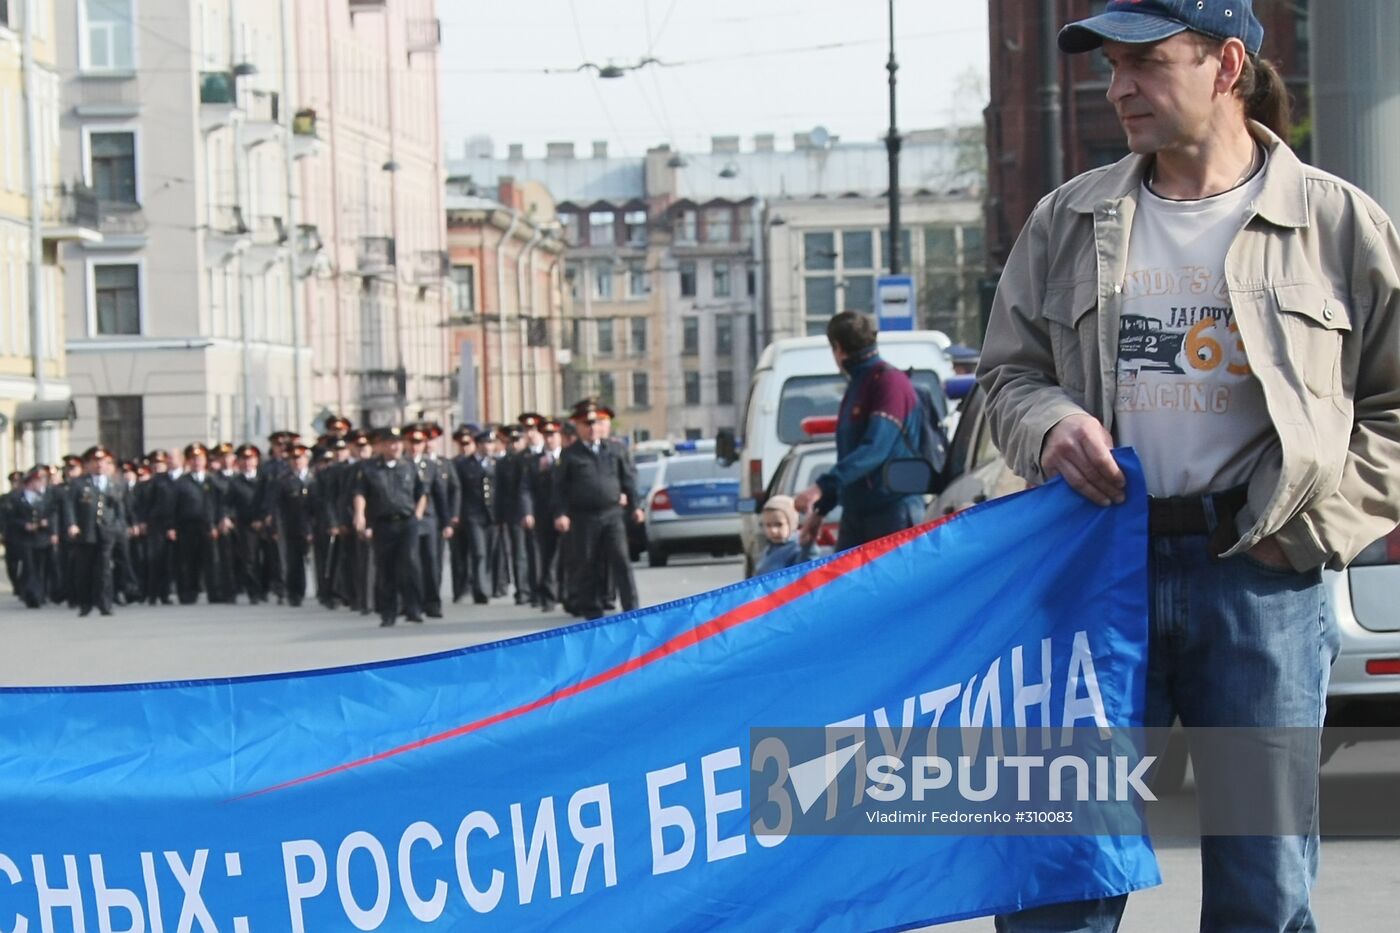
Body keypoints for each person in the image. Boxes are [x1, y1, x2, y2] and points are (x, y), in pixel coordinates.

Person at [977, 2, 1400, 929]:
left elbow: (1393, 408)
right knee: (1061, 876)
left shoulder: (1335, 223)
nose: (1118, 87)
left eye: (1148, 63)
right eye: (1110, 67)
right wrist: (1050, 428)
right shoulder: (1067, 220)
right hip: (1094, 583)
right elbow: (1007, 376)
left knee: (1264, 887)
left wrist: (1311, 532)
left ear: (1227, 64)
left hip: (1260, 582)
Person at [792, 311, 924, 550]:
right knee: (846, 586)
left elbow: (874, 449)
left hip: (892, 512)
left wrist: (820, 487)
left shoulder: (889, 382)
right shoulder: (860, 384)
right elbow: (849, 458)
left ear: (838, 348)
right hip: (858, 514)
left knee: (891, 587)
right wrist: (822, 510)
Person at [552, 399, 641, 620]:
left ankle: (632, 607)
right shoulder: (570, 454)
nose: (592, 428)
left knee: (621, 560)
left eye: (596, 423)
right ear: (579, 427)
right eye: (586, 424)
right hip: (584, 517)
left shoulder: (615, 449)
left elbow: (629, 480)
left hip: (612, 515)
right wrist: (560, 513)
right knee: (586, 563)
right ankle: (592, 611)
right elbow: (560, 488)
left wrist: (636, 506)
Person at [351, 426, 428, 627]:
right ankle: (388, 612)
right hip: (383, 523)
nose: (394, 446)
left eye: (397, 442)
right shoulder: (369, 468)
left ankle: (414, 608)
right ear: (382, 445)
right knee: (385, 568)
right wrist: (360, 515)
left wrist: (418, 514)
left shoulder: (409, 465)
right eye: (390, 443)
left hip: (407, 522)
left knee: (410, 563)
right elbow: (360, 493)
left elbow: (422, 492)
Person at [63, 446, 128, 617]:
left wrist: (120, 526)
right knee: (84, 570)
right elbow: (69, 506)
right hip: (86, 532)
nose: (99, 465)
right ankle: (85, 603)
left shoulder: (114, 483)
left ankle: (105, 603)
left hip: (107, 532)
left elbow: (120, 508)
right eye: (95, 462)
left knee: (105, 569)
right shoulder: (79, 483)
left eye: (103, 462)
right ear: (89, 464)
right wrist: (72, 524)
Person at [406, 423, 451, 618]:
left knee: (431, 561)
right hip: (407, 521)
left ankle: (433, 603)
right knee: (411, 562)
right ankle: (413, 603)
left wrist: (447, 522)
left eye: (419, 442)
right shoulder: (402, 465)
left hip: (429, 520)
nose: (415, 446)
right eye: (412, 441)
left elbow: (441, 495)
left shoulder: (432, 466)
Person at [522, 418, 565, 612]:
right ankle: (548, 597)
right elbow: (526, 489)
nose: (550, 439)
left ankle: (567, 594)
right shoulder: (534, 461)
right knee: (546, 557)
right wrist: (528, 512)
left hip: (566, 515)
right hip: (544, 515)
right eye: (546, 435)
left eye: (553, 435)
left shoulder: (568, 458)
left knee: (569, 556)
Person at [454, 426, 497, 605]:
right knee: (478, 552)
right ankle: (480, 590)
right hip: (473, 515)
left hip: (493, 516)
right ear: (478, 445)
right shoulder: (464, 465)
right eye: (485, 443)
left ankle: (487, 584)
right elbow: (459, 492)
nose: (489, 447)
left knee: (489, 552)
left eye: (491, 443)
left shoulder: (496, 464)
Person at [277, 443, 315, 608]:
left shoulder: (314, 479)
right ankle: (295, 593)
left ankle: (325, 591)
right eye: (293, 459)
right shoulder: (284, 481)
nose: (297, 462)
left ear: (306, 459)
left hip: (313, 525)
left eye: (300, 458)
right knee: (294, 562)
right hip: (291, 526)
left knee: (317, 560)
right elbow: (277, 506)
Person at [752, 495, 816, 576]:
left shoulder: (796, 548)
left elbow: (806, 566)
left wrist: (808, 546)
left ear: (792, 524)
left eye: (779, 524)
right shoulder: (769, 549)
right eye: (768, 525)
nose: (773, 530)